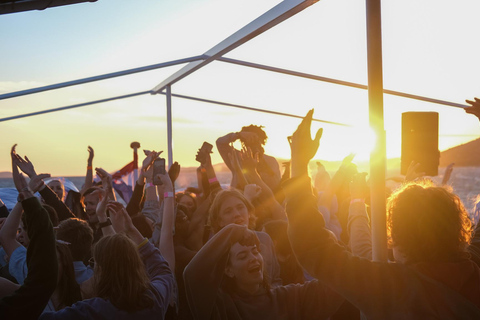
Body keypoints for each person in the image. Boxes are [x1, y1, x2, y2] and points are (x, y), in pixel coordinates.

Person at [285, 109, 480, 319]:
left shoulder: (393, 288)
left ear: (398, 240)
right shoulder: (474, 267)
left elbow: (312, 245)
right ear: (458, 227)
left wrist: (299, 160)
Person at [39, 197, 176, 319]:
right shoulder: (155, 298)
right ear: (136, 264)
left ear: (102, 270)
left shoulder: (91, 310)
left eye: (95, 263)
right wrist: (132, 231)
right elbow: (163, 269)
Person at [184, 223, 343, 319]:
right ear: (229, 270)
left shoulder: (287, 299)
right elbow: (191, 275)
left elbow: (337, 284)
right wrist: (233, 230)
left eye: (255, 251)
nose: (253, 258)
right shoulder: (220, 306)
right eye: (242, 256)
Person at [0, 144, 58, 319]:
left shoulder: (24, 264)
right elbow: (43, 279)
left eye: (23, 229)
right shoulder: (87, 304)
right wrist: (27, 193)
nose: (20, 233)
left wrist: (26, 193)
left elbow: (6, 236)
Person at [216, 125, 281, 192]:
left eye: (256, 140)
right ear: (244, 142)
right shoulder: (237, 157)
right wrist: (238, 135)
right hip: (242, 201)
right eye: (249, 141)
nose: (253, 144)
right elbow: (220, 143)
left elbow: (277, 186)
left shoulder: (271, 161)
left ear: (262, 140)